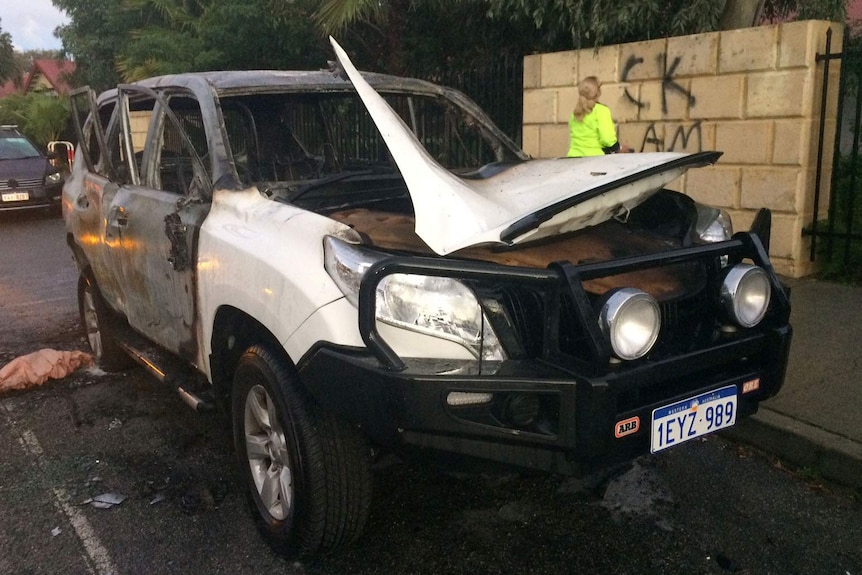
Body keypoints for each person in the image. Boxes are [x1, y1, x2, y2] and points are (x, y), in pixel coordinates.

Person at [566, 76, 621, 157]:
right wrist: (618, 147)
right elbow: (607, 139)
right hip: (594, 159)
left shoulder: (574, 114)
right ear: (598, 93)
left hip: (573, 157)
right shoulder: (601, 111)